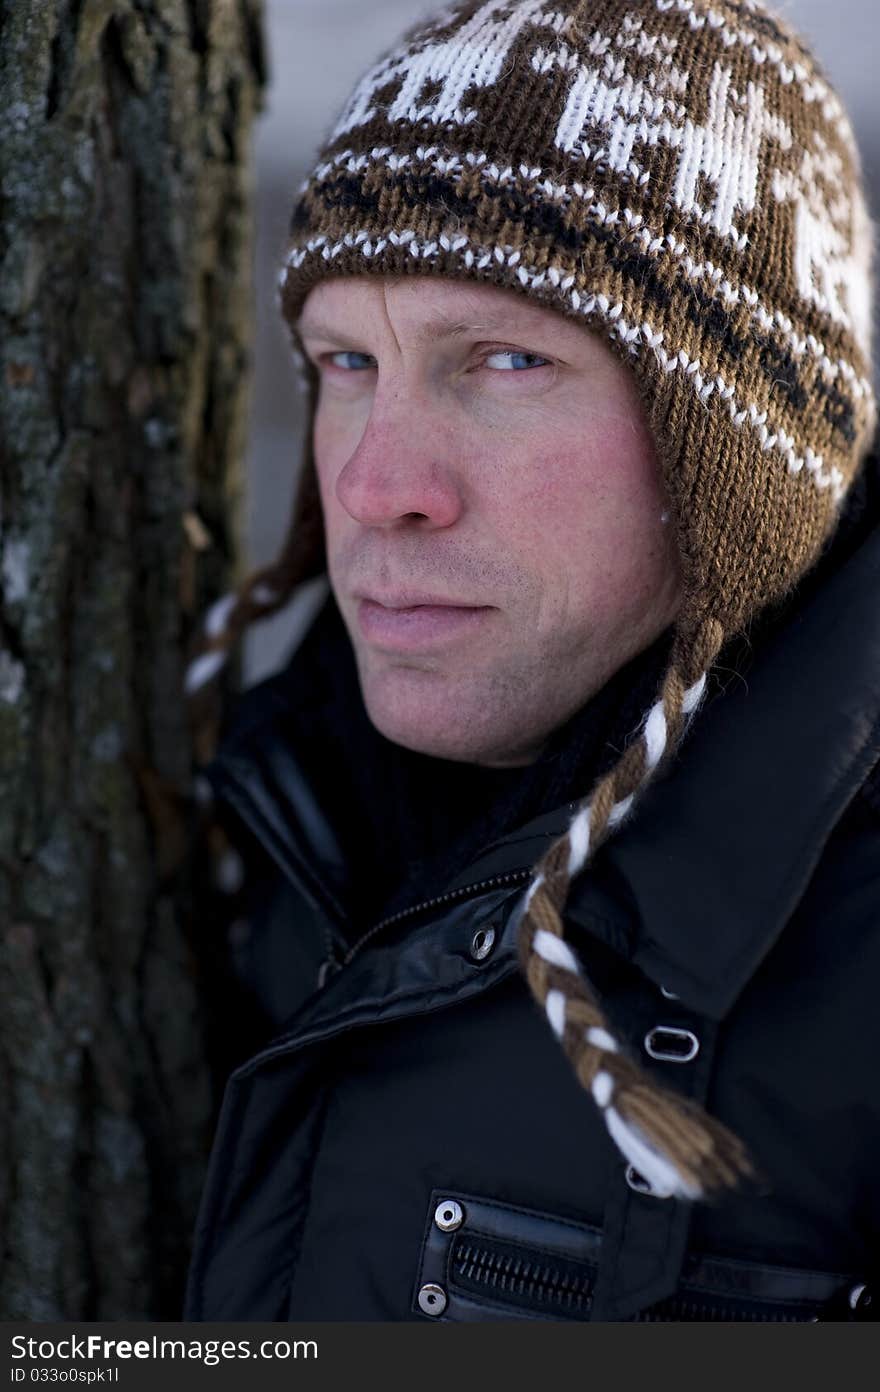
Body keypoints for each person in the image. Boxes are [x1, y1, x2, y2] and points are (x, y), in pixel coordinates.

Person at [183, 0, 879, 1321]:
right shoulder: (273, 820)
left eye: (505, 358)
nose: (379, 484)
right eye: (346, 360)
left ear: (741, 458)